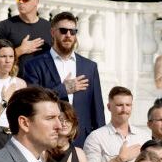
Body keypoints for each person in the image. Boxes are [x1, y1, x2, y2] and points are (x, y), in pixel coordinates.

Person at [22, 11, 105, 146]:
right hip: (48, 138)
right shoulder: (34, 65)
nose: (68, 35)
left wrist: (101, 141)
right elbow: (32, 102)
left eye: (73, 31)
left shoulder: (89, 67)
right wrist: (62, 90)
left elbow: (97, 109)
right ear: (53, 32)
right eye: (63, 31)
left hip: (82, 139)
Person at [0, 0, 51, 76]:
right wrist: (20, 50)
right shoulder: (5, 25)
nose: (21, 2)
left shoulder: (49, 27)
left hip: (42, 86)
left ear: (36, 1)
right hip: (14, 83)